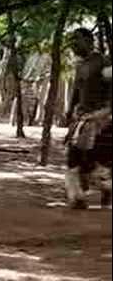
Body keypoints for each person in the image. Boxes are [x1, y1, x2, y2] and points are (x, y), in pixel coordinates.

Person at [64, 28, 112, 209]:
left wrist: (106, 112)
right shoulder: (80, 65)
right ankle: (79, 196)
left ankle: (101, 189)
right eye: (71, 40)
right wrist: (70, 112)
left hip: (98, 118)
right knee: (75, 158)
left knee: (88, 158)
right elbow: (77, 92)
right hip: (81, 117)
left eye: (76, 40)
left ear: (89, 40)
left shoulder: (104, 62)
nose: (73, 44)